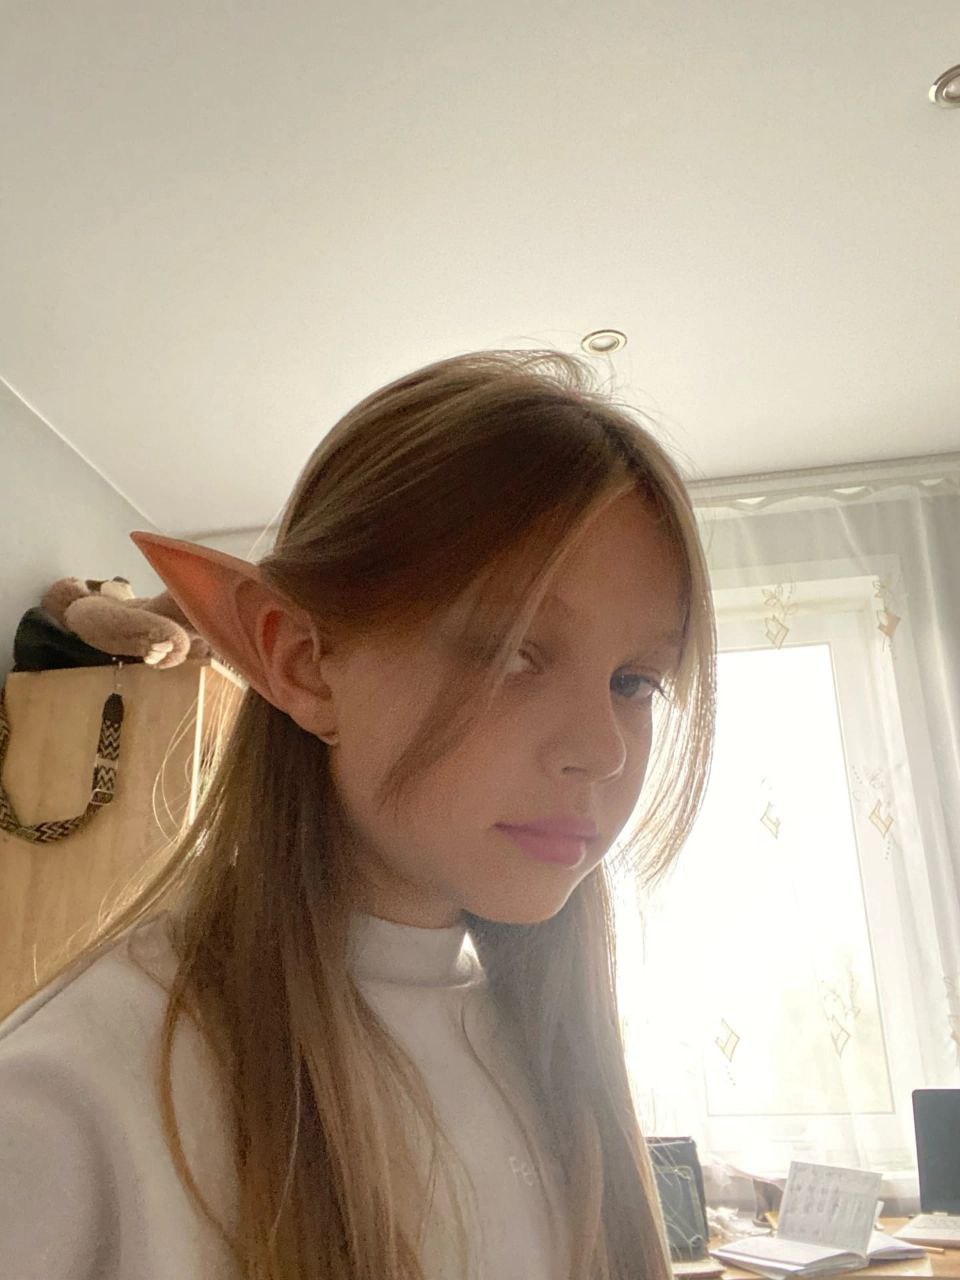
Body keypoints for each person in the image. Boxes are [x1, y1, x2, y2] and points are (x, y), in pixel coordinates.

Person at [0, 348, 716, 1280]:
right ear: (301, 662)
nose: (604, 749)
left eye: (635, 681)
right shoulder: (70, 1106)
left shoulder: (544, 1043)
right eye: (514, 650)